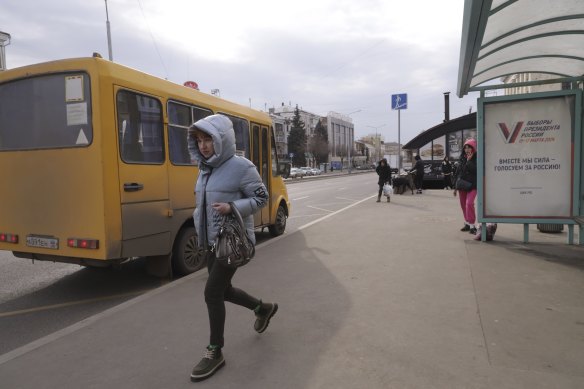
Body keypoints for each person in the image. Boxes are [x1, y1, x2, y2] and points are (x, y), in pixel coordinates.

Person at [187, 114, 278, 382]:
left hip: (233, 242)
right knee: (222, 291)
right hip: (212, 242)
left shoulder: (241, 166)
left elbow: (262, 197)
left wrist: (232, 207)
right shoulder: (205, 168)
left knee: (212, 293)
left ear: (221, 140)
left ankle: (215, 351)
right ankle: (262, 308)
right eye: (200, 140)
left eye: (209, 139)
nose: (203, 146)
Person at [453, 138, 478, 235]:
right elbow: (459, 173)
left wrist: (469, 161)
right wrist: (455, 187)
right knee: (463, 205)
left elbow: (476, 171)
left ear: (473, 148)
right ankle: (467, 223)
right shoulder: (462, 158)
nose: (467, 150)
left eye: (469, 147)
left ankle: (472, 226)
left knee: (469, 203)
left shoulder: (477, 158)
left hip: (473, 185)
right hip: (462, 185)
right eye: (465, 148)